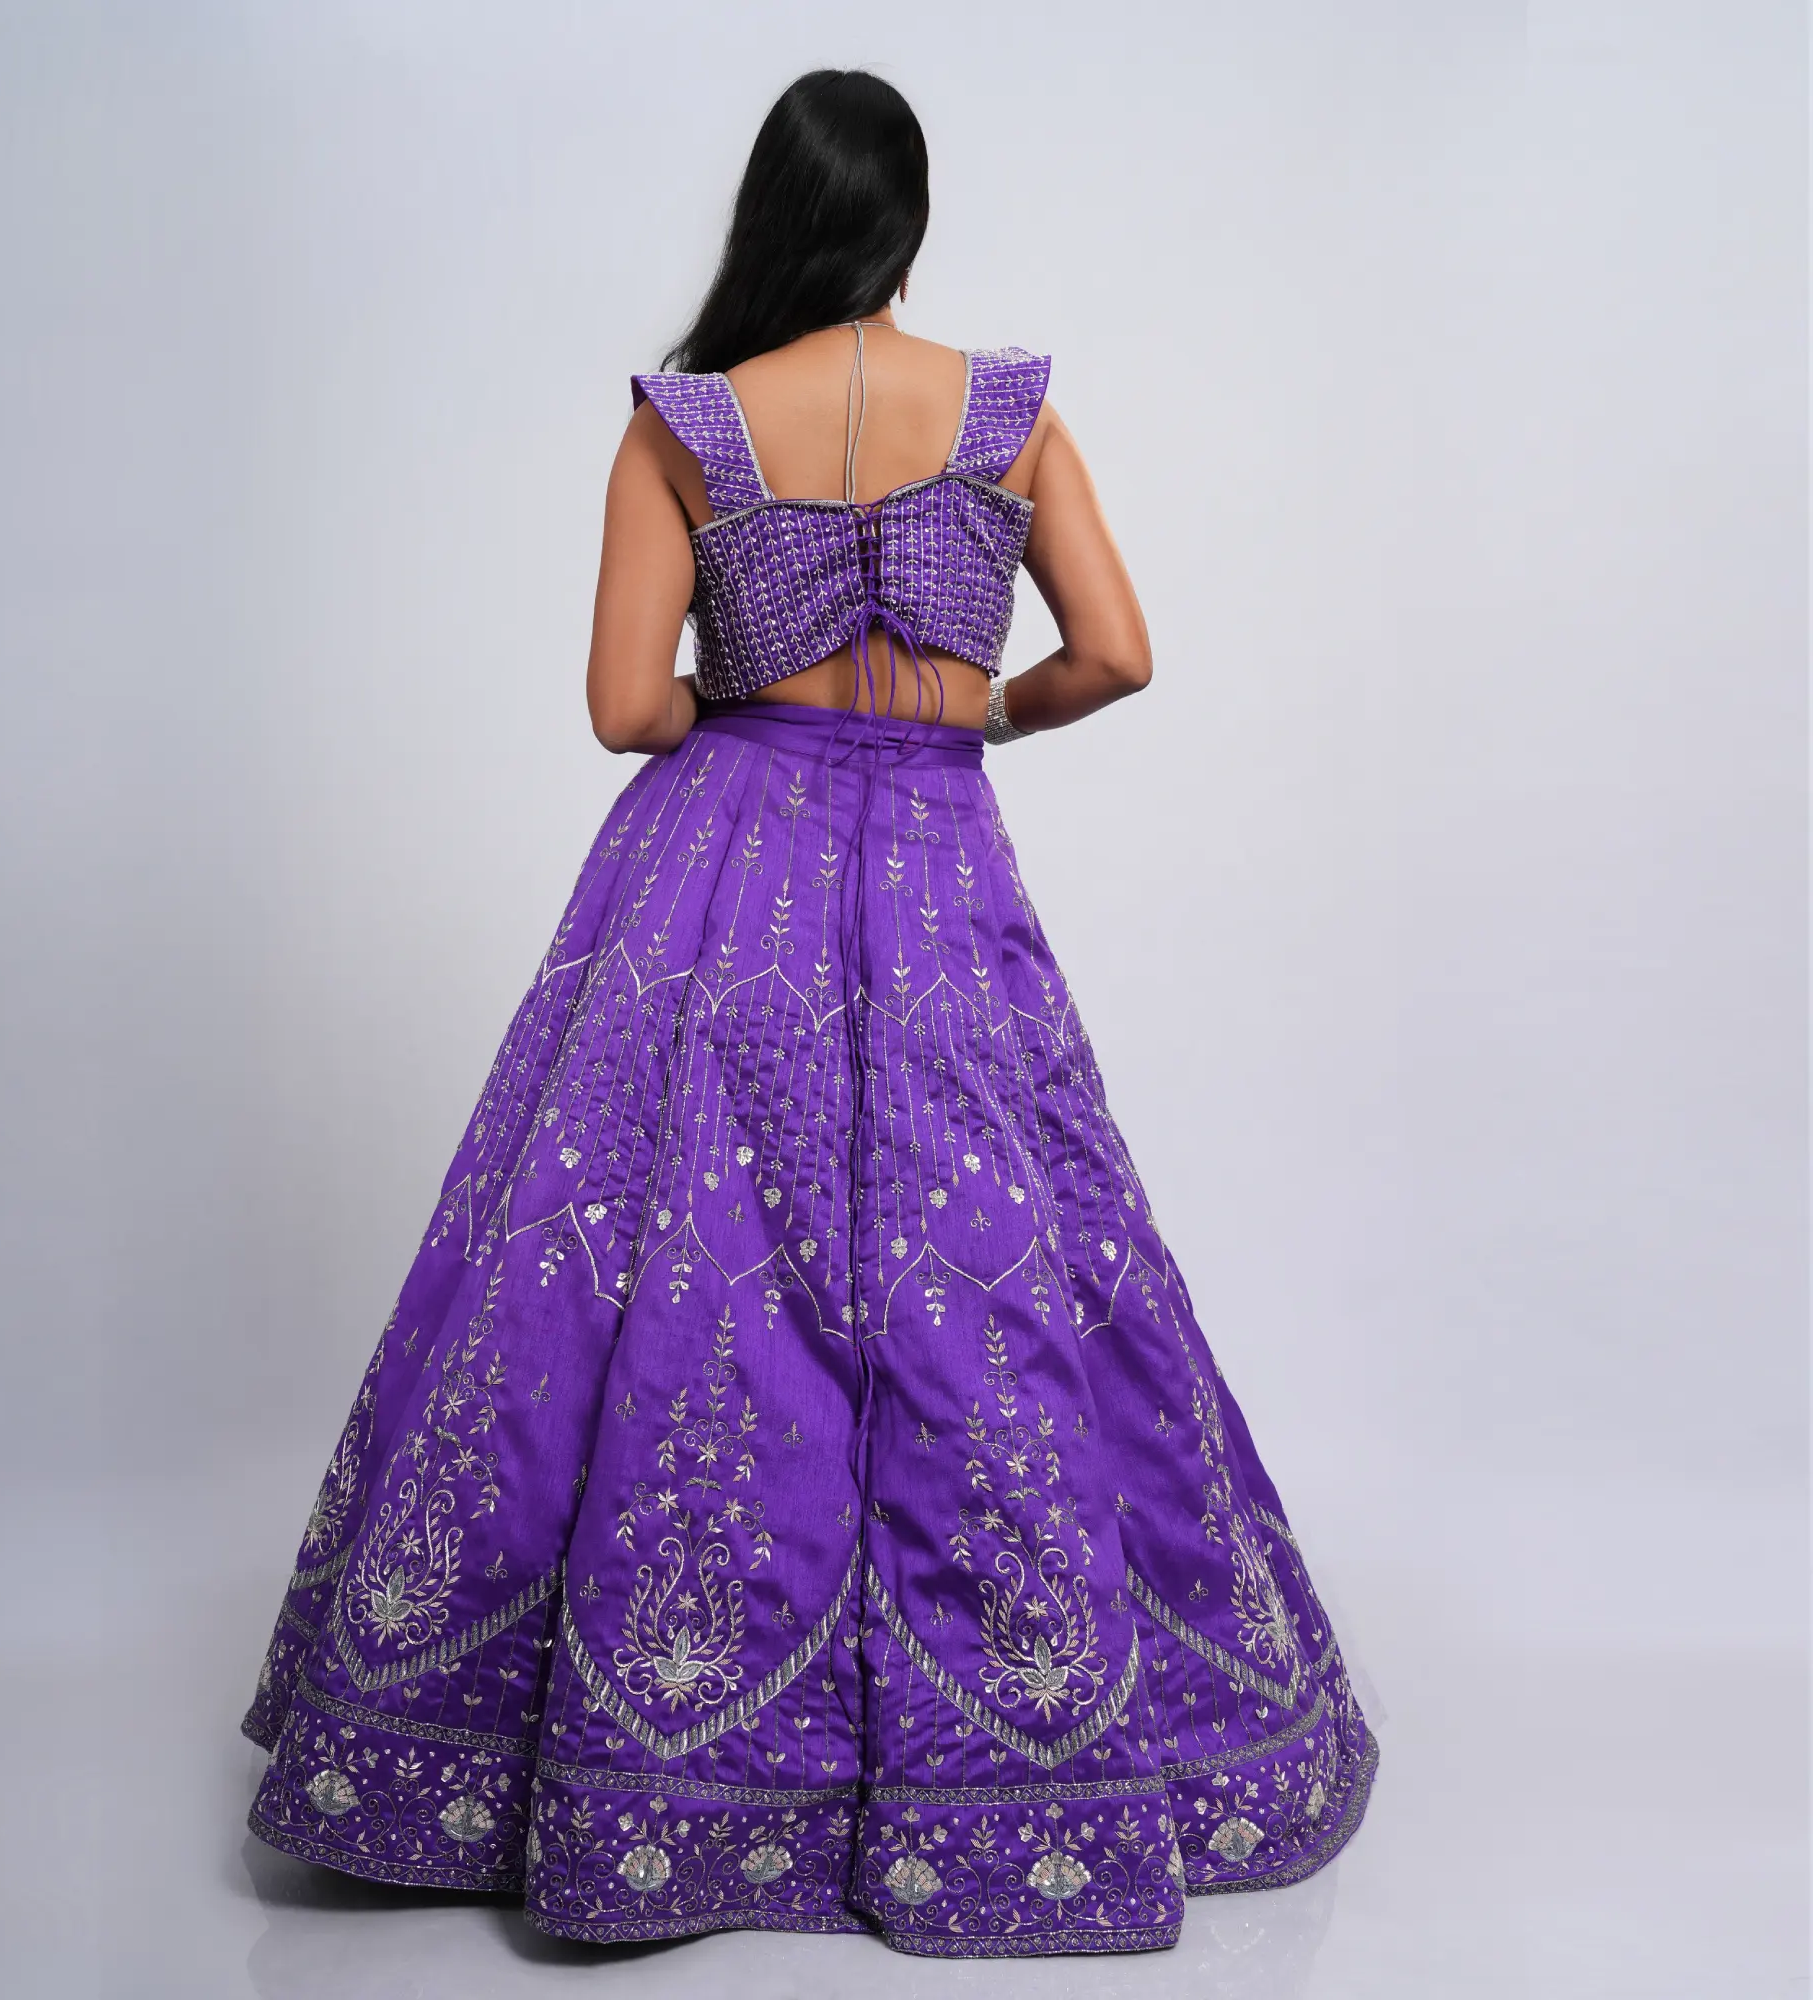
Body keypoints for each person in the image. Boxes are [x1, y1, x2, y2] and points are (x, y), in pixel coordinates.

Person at [241, 67, 1376, 1958]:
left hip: (722, 870)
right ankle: (1014, 1730)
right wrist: (982, 710)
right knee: (990, 1256)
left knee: (670, 1261)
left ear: (770, 216)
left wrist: (737, 704)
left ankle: (625, 1758)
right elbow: (1118, 651)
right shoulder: (1008, 414)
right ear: (909, 224)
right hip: (937, 865)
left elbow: (626, 709)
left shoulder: (682, 426)